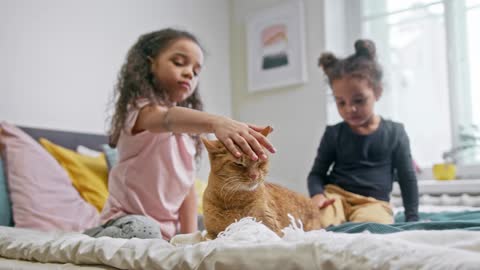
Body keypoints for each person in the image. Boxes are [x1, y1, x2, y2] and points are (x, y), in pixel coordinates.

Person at [85, 28, 276, 240]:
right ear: (149, 64)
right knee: (144, 228)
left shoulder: (187, 136)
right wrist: (217, 122)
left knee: (225, 229)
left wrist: (191, 242)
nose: (189, 73)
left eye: (196, 71)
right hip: (123, 222)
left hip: (163, 235)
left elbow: (186, 192)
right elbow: (167, 118)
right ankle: (93, 237)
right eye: (179, 62)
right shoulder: (139, 113)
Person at [308, 39, 419, 226]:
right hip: (336, 196)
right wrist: (318, 195)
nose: (349, 109)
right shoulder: (333, 133)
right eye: (341, 102)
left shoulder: (395, 133)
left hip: (373, 202)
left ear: (377, 92)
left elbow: (407, 177)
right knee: (317, 222)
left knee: (372, 227)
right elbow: (316, 174)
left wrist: (412, 218)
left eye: (358, 100)